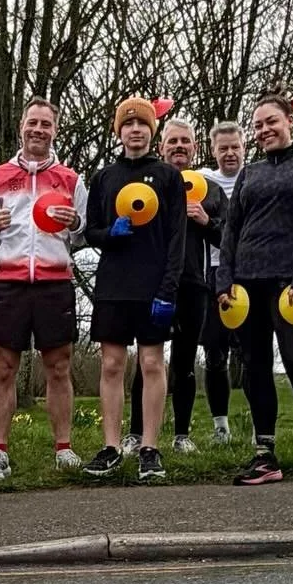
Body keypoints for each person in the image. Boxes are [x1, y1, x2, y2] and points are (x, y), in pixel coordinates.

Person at [217, 93, 293, 487]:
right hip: (245, 285)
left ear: (290, 121)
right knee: (254, 367)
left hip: (291, 283)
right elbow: (231, 230)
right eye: (257, 125)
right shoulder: (250, 174)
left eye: (271, 121)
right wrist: (225, 280)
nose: (265, 130)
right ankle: (264, 456)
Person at [0, 98, 89, 480]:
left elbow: (82, 234)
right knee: (2, 368)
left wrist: (74, 224)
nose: (38, 130)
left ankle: (64, 448)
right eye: (32, 123)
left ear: (55, 130)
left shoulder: (70, 179)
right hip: (9, 281)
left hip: (54, 282)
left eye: (46, 124)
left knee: (59, 366)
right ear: (22, 126)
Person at [82, 97, 187, 481]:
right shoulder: (104, 177)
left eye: (142, 124)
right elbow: (90, 230)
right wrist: (109, 233)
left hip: (154, 285)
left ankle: (150, 448)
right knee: (111, 364)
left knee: (151, 363)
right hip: (113, 284)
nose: (136, 130)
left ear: (151, 131)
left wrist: (168, 289)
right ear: (119, 132)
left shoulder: (169, 177)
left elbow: (177, 237)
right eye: (128, 125)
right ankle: (111, 447)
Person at [126, 117, 227, 454]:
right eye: (173, 142)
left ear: (195, 148)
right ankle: (136, 434)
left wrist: (206, 221)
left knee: (184, 361)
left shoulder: (208, 189)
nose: (179, 147)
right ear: (161, 147)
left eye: (186, 141)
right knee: (147, 360)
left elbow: (229, 237)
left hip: (193, 283)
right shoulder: (145, 183)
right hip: (148, 284)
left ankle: (181, 435)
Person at [198, 120, 245, 444]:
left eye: (235, 147)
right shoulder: (202, 180)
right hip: (211, 275)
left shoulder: (256, 177)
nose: (229, 153)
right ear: (213, 150)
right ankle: (221, 427)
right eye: (223, 148)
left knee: (253, 353)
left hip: (247, 274)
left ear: (244, 147)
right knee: (215, 354)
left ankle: (261, 428)